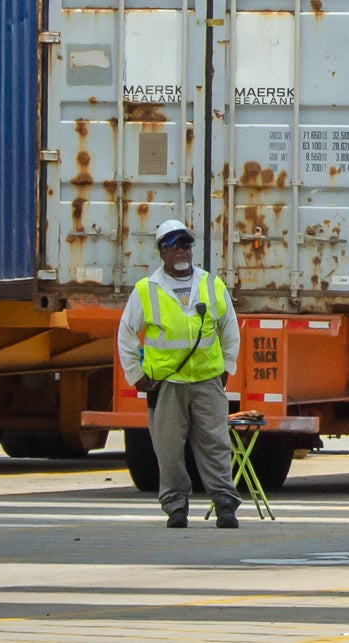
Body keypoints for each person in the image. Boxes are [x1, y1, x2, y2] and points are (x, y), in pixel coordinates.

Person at [116, 220, 241, 528]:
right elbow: (127, 334)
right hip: (167, 384)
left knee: (216, 444)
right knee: (169, 447)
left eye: (185, 244)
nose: (181, 250)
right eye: (173, 245)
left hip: (207, 381)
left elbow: (230, 330)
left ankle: (225, 503)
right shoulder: (147, 290)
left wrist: (226, 369)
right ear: (162, 252)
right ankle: (175, 506)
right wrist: (137, 376)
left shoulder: (211, 285)